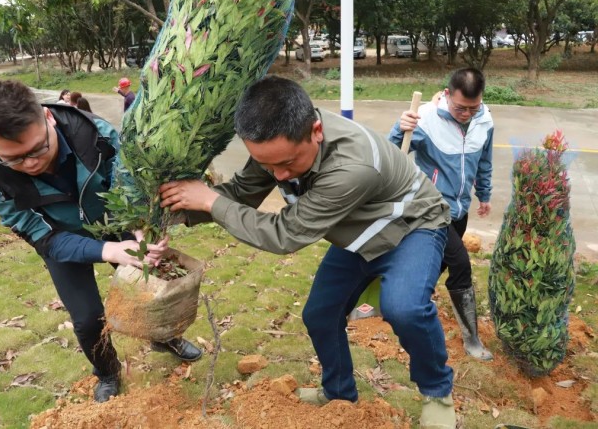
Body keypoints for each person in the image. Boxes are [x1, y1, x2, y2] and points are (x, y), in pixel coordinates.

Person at [159, 76, 457, 428]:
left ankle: (438, 391)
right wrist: (176, 210)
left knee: (404, 308)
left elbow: (285, 234)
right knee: (320, 315)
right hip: (357, 231)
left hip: (411, 226)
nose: (278, 175)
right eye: (268, 166)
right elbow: (241, 193)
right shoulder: (278, 142)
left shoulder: (352, 166)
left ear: (316, 131)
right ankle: (338, 393)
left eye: (286, 164)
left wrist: (210, 201)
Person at [0, 80, 202, 404]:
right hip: (61, 239)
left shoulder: (98, 136)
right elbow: (42, 237)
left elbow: (130, 187)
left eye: (37, 149)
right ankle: (108, 372)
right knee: (86, 319)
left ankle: (164, 337)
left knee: (152, 286)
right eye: (14, 159)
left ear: (48, 118)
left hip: (113, 219)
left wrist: (140, 229)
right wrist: (110, 251)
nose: (30, 164)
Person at [389, 68, 494, 361]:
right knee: (460, 264)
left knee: (436, 263)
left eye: (473, 108)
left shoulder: (485, 120)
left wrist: (484, 194)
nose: (466, 114)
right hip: (430, 209)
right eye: (460, 108)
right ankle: (472, 339)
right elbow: (389, 154)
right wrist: (399, 128)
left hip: (460, 210)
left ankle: (403, 302)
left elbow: (484, 161)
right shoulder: (425, 118)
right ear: (447, 95)